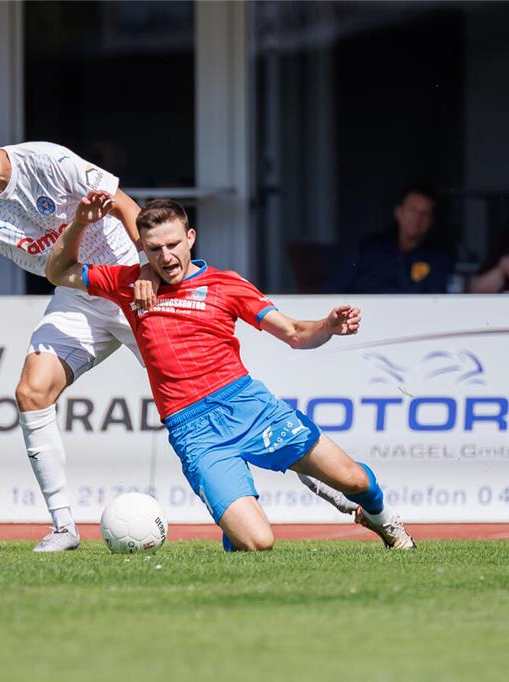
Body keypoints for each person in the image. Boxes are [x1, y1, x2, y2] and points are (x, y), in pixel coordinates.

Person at [47, 193, 416, 551]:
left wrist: (327, 325)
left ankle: (384, 521)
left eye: (173, 244)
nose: (167, 256)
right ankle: (237, 530)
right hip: (194, 430)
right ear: (142, 247)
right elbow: (57, 271)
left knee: (353, 479)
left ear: (191, 237)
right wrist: (79, 223)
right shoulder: (129, 283)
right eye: (154, 249)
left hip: (247, 405)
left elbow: (294, 334)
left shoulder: (226, 285)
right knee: (258, 542)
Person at [0, 95, 148, 552]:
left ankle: (286, 469)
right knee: (31, 391)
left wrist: (146, 268)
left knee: (195, 390)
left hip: (127, 281)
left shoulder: (47, 160)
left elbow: (124, 204)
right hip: (77, 297)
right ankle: (64, 526)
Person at [330, 185, 452, 294]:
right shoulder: (368, 249)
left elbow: (439, 303)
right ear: (398, 212)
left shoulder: (438, 258)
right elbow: (334, 291)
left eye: (425, 213)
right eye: (412, 210)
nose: (417, 218)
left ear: (431, 220)